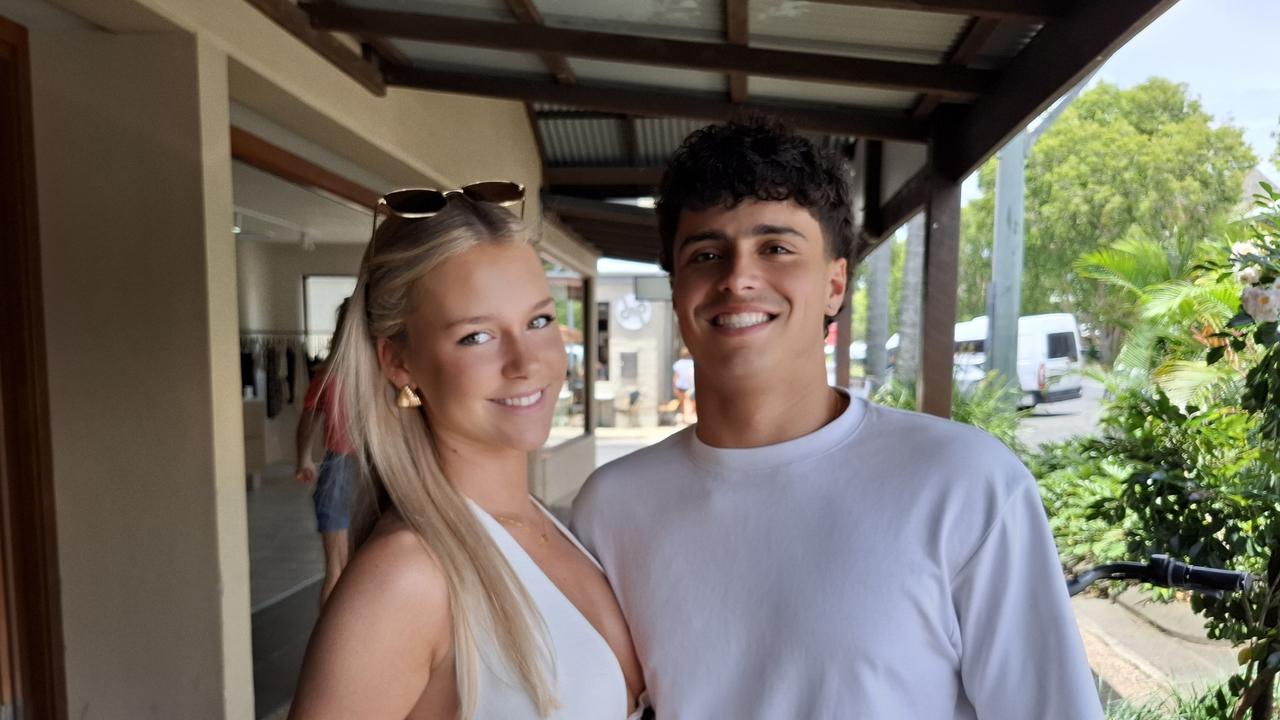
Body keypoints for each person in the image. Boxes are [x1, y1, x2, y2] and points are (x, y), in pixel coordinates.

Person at [571, 119, 1101, 719]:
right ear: (677, 288)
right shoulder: (611, 508)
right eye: (707, 253)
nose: (738, 277)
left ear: (834, 282)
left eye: (776, 248)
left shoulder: (963, 484)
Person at [290, 187, 644, 720]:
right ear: (399, 362)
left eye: (539, 321)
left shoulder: (558, 527)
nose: (526, 362)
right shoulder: (407, 577)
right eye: (477, 336)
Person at [295, 298, 356, 607]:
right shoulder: (389, 369)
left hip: (340, 468)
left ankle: (336, 646)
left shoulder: (327, 372)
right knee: (365, 568)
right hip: (372, 469)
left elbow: (307, 420)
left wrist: (303, 458)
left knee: (337, 568)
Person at [670, 345, 696, 423]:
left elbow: (675, 377)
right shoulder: (692, 363)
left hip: (680, 386)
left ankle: (685, 417)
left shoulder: (678, 364)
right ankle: (688, 417)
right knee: (689, 402)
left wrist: (674, 387)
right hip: (690, 386)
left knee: (683, 402)